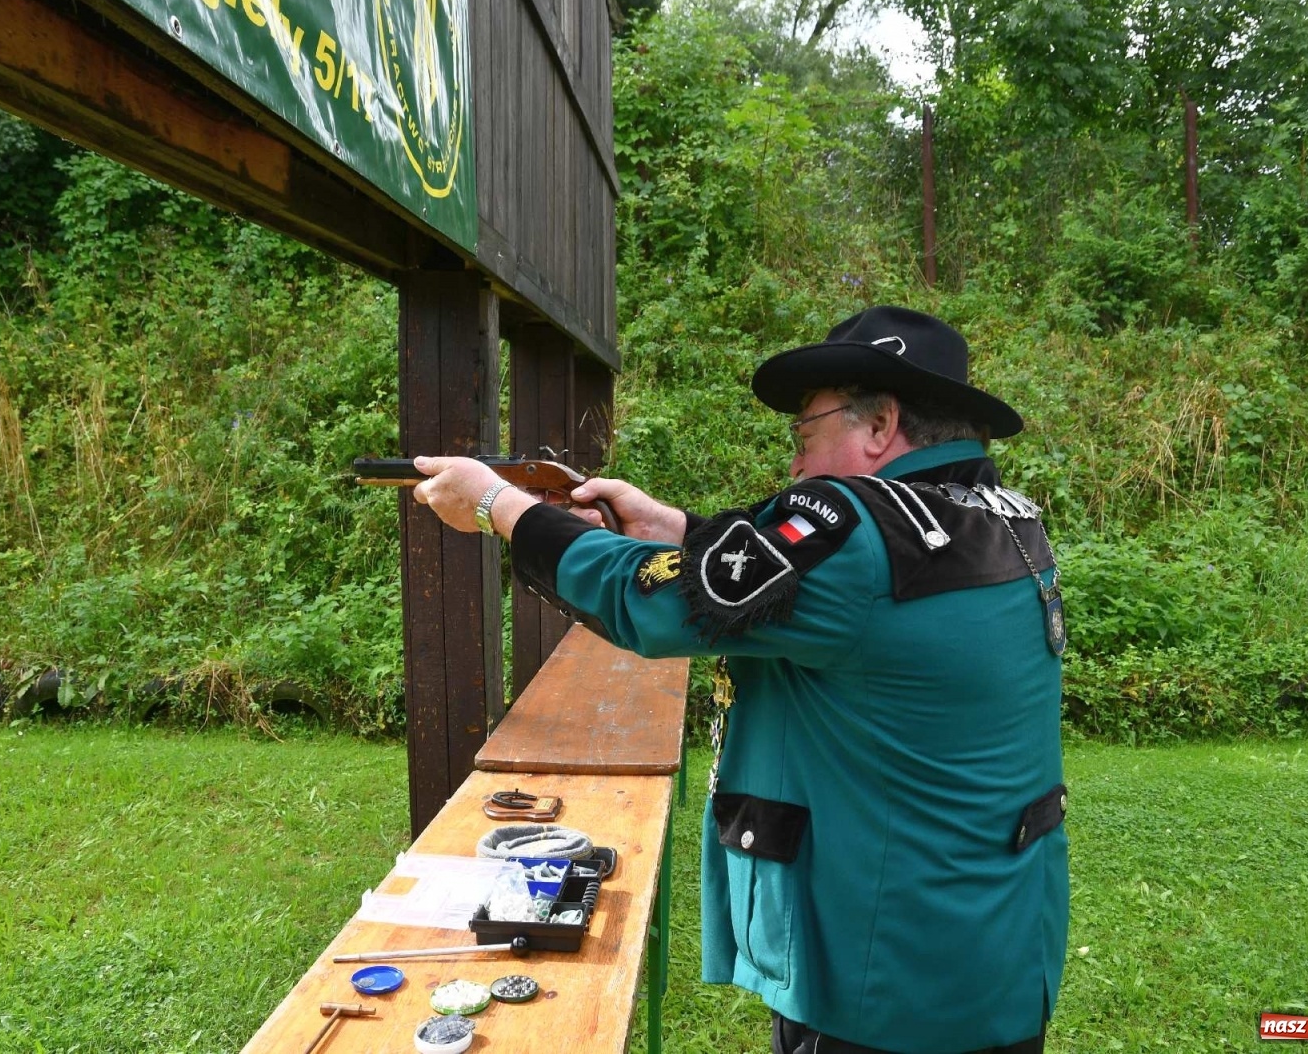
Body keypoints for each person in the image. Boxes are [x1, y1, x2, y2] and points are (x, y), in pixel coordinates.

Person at [411, 305, 1069, 1054]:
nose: (795, 466)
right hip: (997, 957)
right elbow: (817, 594)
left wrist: (501, 506)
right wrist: (677, 529)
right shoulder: (999, 519)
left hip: (881, 981)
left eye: (806, 434)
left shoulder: (857, 528)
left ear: (881, 425)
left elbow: (650, 607)